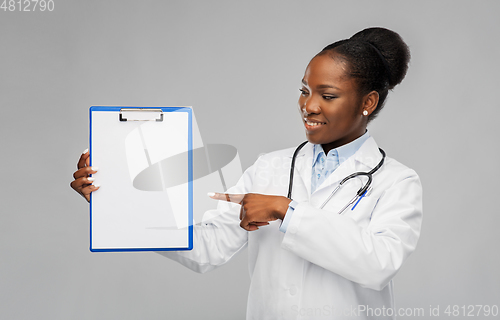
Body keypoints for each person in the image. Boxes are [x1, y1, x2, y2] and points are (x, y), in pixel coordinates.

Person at [71, 27, 423, 320]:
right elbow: (209, 248)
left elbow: (379, 264)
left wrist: (287, 210)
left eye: (327, 95)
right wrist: (119, 203)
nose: (308, 106)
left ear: (368, 103)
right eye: (304, 90)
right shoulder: (270, 166)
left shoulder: (396, 181)